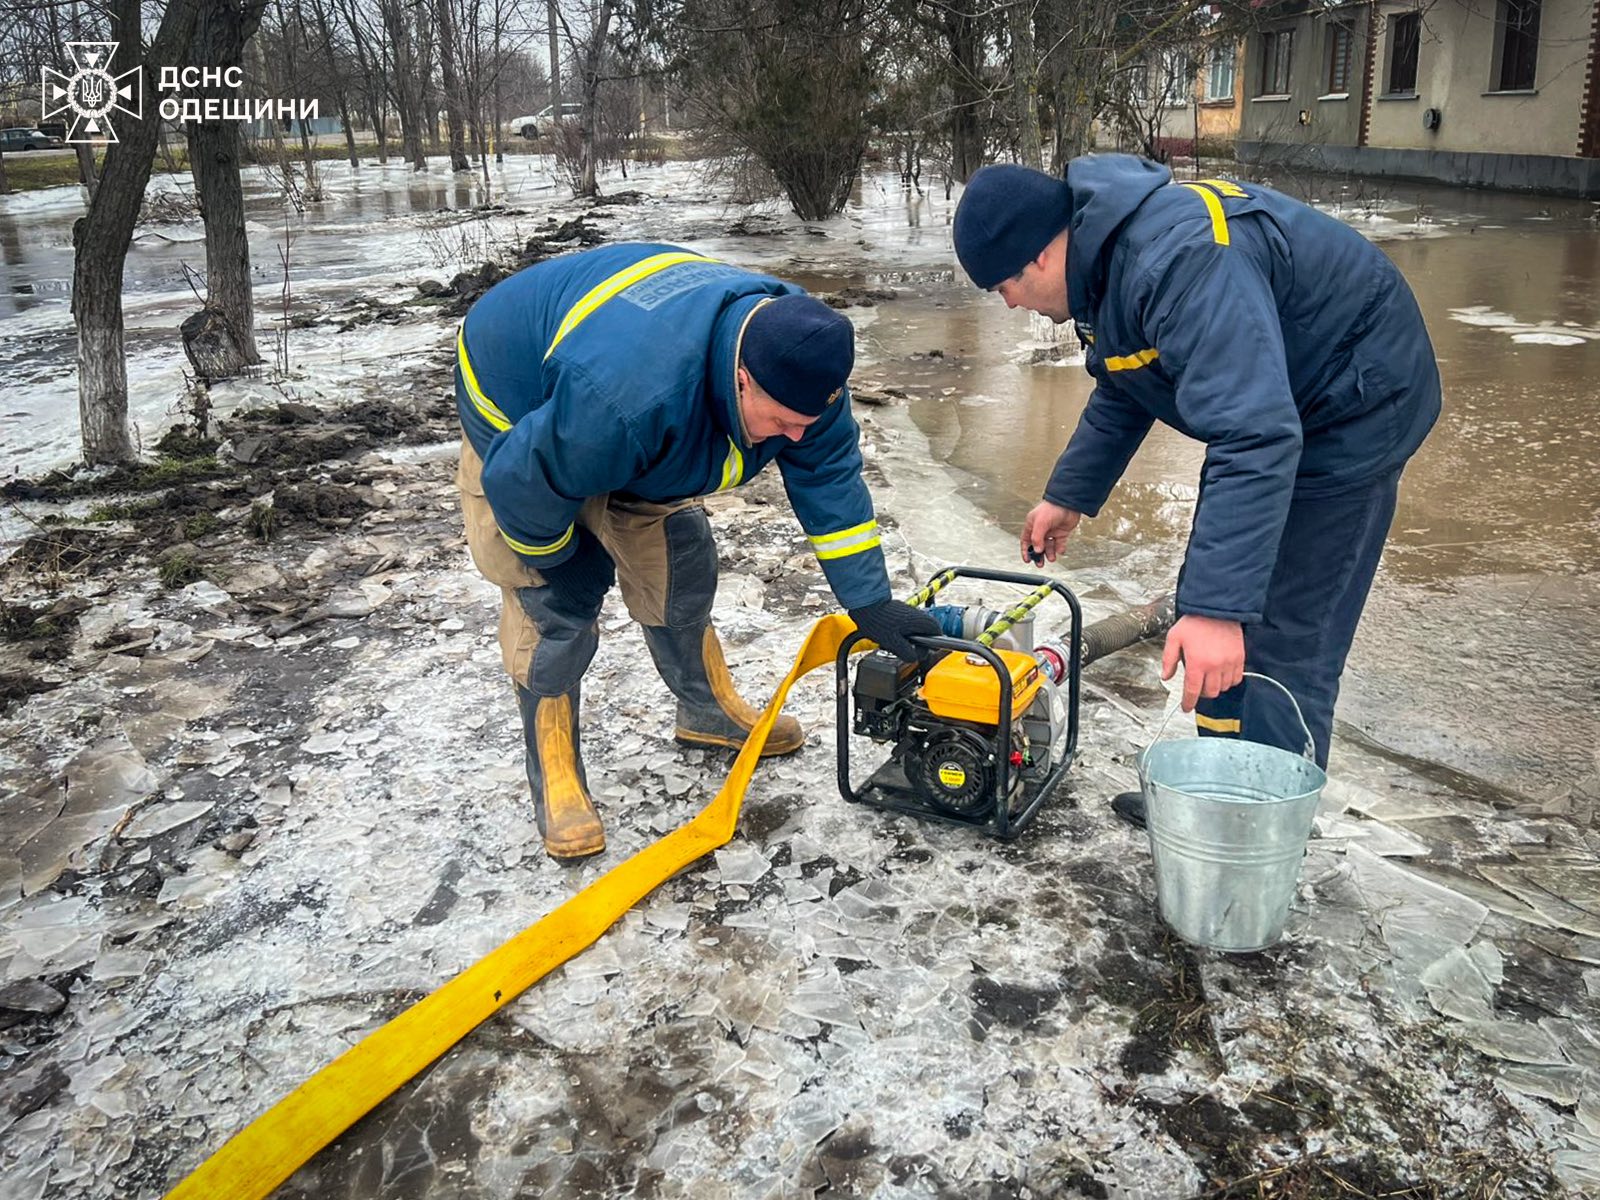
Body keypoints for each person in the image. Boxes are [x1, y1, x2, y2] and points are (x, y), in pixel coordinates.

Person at [952, 158, 1440, 824]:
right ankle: (1216, 799)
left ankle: (1256, 838)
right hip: (1271, 412)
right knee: (1218, 608)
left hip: (1356, 404)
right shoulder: (1106, 272)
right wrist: (1069, 495)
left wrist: (1217, 609)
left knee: (1281, 633)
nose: (1009, 303)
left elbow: (1255, 434)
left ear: (1044, 249)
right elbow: (1126, 383)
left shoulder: (1177, 261)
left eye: (1008, 283)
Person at [456, 243, 939, 857]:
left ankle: (704, 711)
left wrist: (869, 602)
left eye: (806, 424)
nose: (795, 438)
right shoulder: (624, 398)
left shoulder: (804, 367)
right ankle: (554, 770)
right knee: (552, 609)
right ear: (741, 378)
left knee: (680, 563)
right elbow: (522, 481)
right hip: (517, 392)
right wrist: (559, 560)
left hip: (639, 413)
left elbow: (831, 480)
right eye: (783, 421)